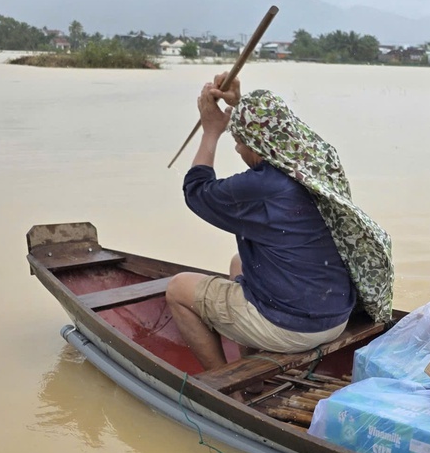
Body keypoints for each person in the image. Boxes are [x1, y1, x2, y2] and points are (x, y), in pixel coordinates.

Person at [166, 73, 394, 372]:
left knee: (178, 289)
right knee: (239, 263)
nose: (236, 149)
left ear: (259, 146)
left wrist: (211, 132)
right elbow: (275, 129)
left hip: (296, 327)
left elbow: (196, 192)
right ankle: (253, 370)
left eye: (239, 142)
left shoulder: (263, 188)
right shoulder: (316, 161)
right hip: (337, 314)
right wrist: (239, 104)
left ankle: (225, 391)